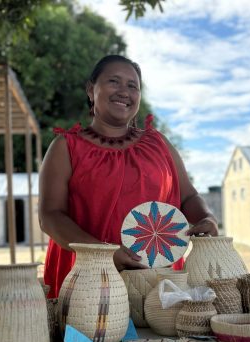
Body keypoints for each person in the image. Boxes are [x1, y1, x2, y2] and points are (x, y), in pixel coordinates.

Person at [39, 54, 218, 298]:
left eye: (132, 86)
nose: (124, 91)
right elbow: (50, 216)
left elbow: (188, 196)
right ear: (91, 90)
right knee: (93, 335)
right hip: (89, 282)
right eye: (114, 81)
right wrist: (102, 254)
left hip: (157, 280)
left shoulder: (159, 144)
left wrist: (206, 218)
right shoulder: (66, 147)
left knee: (160, 333)